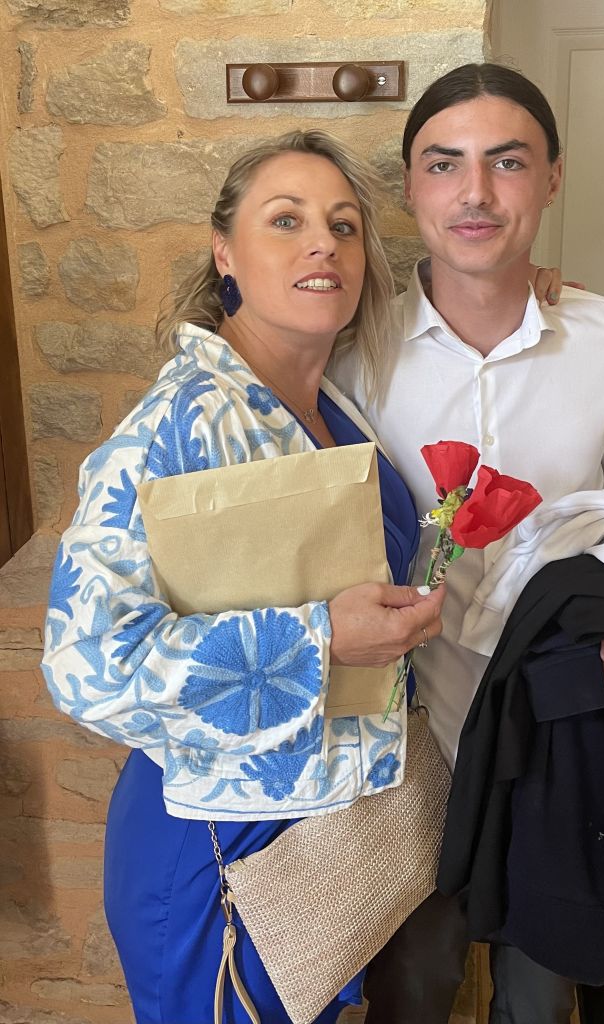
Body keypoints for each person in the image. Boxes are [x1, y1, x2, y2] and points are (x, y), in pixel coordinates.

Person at [41, 129, 449, 1024]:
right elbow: (87, 667)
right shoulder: (175, 428)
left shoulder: (332, 403)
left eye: (343, 226)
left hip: (331, 841)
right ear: (224, 251)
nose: (322, 244)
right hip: (220, 856)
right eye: (286, 220)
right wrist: (320, 640)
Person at [330, 63, 604, 1024]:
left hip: (559, 730)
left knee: (540, 989)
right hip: (405, 744)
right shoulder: (352, 346)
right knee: (411, 989)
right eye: (444, 163)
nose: (475, 193)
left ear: (552, 178)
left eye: (508, 161)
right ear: (411, 184)